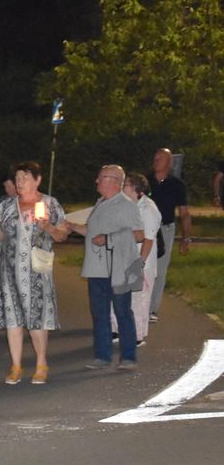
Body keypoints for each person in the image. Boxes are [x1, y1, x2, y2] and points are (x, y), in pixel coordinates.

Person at [0, 162, 68, 385]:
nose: (20, 182)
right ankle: (16, 365)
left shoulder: (50, 204)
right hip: (9, 271)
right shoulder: (7, 206)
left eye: (25, 177)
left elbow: (62, 235)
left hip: (36, 272)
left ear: (38, 180)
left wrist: (48, 227)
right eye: (17, 178)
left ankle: (41, 363)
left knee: (37, 318)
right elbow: (0, 237)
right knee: (13, 318)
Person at [66, 165, 145, 370]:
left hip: (118, 268)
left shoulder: (126, 205)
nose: (96, 181)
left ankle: (128, 357)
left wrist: (109, 239)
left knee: (122, 311)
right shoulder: (100, 202)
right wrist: (72, 226)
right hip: (96, 268)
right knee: (99, 313)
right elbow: (92, 232)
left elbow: (139, 235)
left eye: (100, 177)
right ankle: (102, 356)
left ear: (113, 181)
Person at [112, 172, 161, 346]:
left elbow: (149, 239)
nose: (121, 187)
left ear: (136, 189)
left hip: (141, 262)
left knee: (138, 300)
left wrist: (140, 263)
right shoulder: (126, 205)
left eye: (125, 184)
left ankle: (137, 335)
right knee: (119, 296)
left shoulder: (148, 209)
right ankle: (117, 330)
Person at [147, 147, 192, 322]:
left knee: (160, 270)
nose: (156, 161)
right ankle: (138, 306)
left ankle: (152, 309)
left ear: (169, 162)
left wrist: (186, 238)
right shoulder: (145, 181)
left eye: (160, 159)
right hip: (145, 229)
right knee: (143, 268)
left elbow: (184, 213)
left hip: (165, 229)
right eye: (155, 158)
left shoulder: (177, 185)